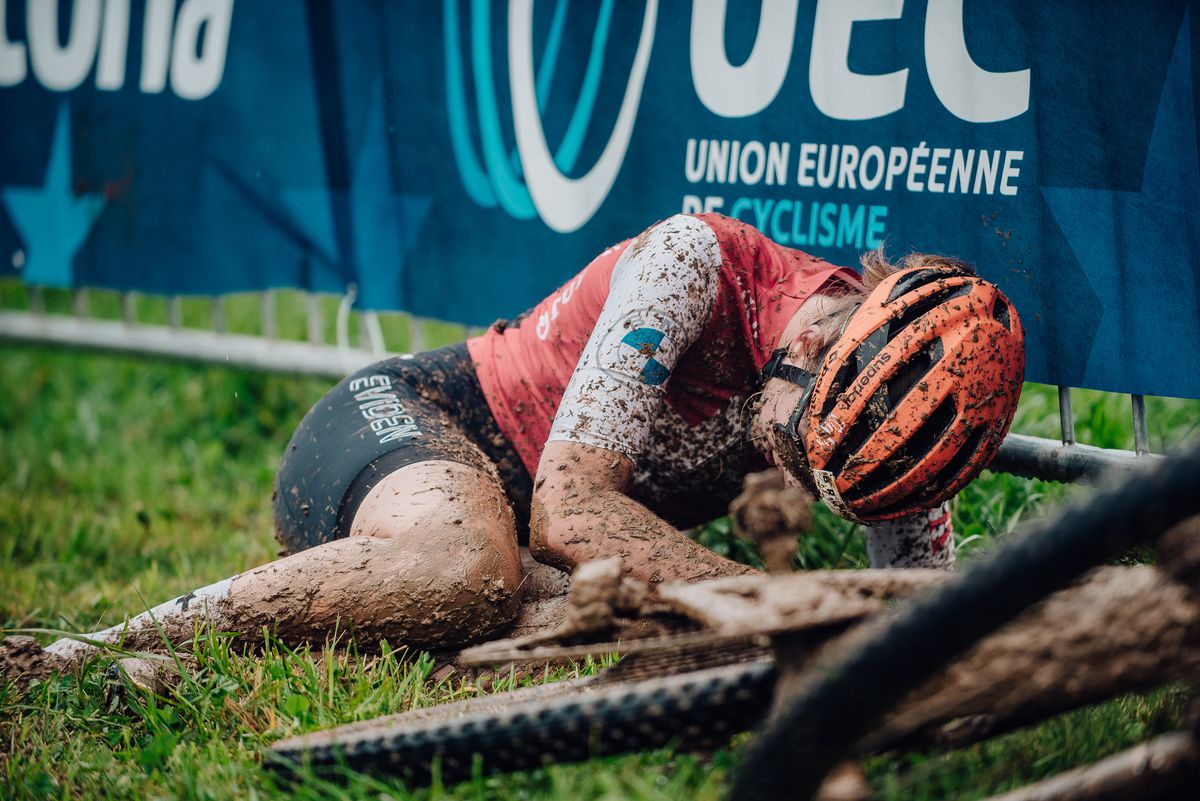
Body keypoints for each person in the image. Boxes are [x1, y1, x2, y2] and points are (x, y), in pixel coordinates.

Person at [37, 213, 1024, 663]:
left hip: (526, 540)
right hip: (412, 428)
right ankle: (98, 648)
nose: (796, 469)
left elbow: (915, 610)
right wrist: (785, 604)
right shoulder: (695, 264)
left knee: (660, 633)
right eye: (799, 444)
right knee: (474, 568)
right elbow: (573, 510)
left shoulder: (907, 404)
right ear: (821, 337)